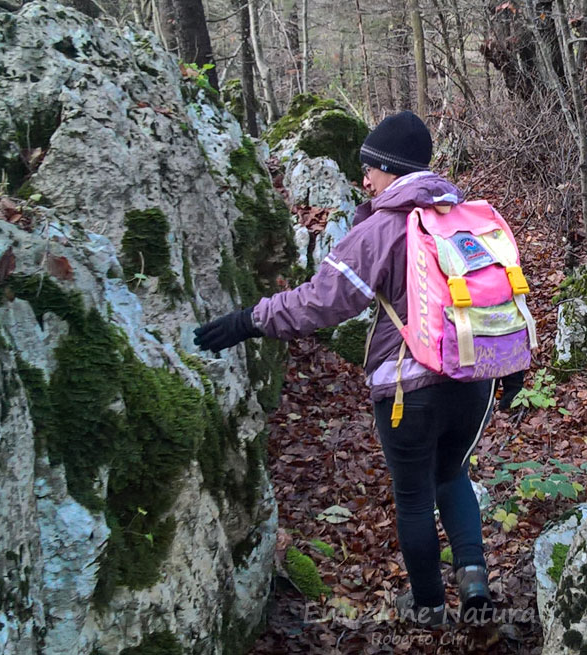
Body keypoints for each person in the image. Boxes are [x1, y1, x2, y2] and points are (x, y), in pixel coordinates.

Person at [194, 110, 522, 627]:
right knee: (452, 473)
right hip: (476, 377)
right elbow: (502, 293)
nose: (364, 177)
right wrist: (512, 363)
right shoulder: (466, 219)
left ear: (391, 169)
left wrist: (249, 320)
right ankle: (474, 578)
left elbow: (322, 301)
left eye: (369, 167)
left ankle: (429, 609)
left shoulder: (383, 228)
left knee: (413, 496)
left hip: (407, 387)